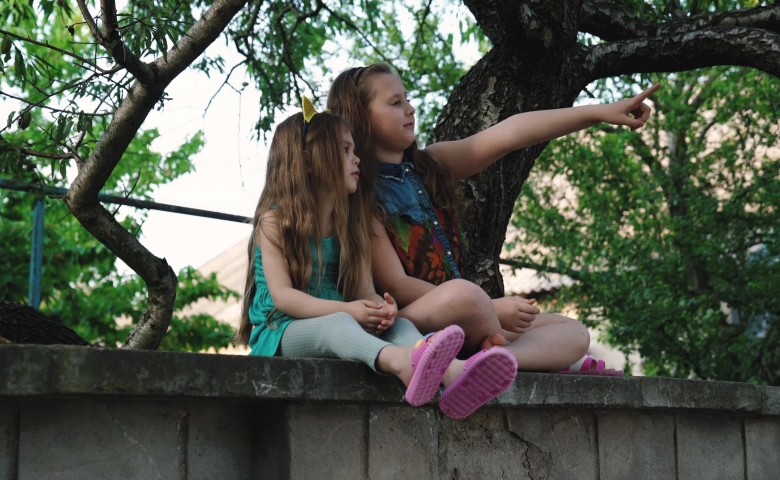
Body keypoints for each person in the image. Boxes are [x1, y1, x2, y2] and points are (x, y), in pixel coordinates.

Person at [327, 63, 659, 372]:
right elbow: (396, 285)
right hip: (414, 321)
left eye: (408, 99)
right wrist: (489, 306)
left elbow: (509, 134)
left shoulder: (432, 166)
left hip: (469, 314)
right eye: (395, 102)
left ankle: (492, 359)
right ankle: (515, 349)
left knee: (574, 331)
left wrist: (601, 112)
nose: (410, 109)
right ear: (362, 118)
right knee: (465, 295)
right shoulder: (363, 196)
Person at [236, 97, 518, 418]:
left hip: (339, 318)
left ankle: (454, 375)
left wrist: (379, 309)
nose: (356, 160)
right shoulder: (274, 221)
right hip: (282, 331)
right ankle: (399, 363)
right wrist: (349, 310)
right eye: (345, 151)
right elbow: (284, 298)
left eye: (353, 150)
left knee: (398, 323)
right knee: (338, 324)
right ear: (310, 161)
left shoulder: (350, 223)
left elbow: (362, 291)